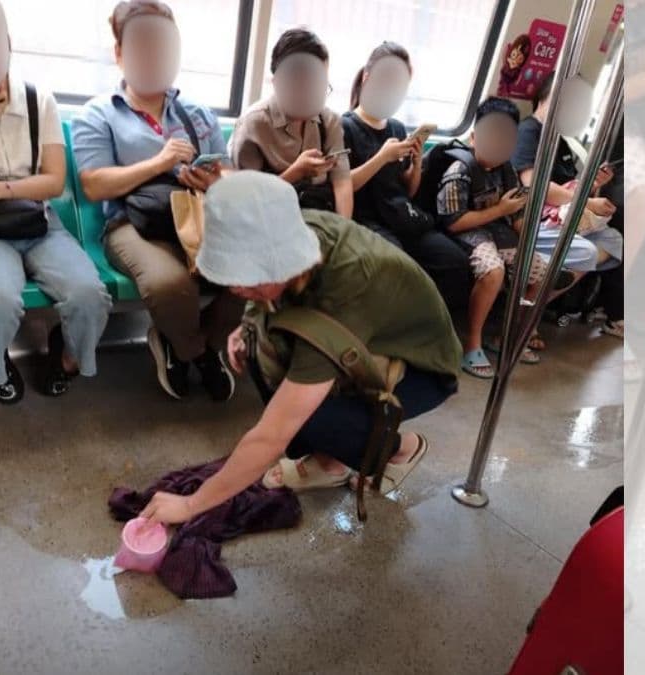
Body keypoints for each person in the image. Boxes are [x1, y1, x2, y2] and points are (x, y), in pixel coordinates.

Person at [138, 171, 460, 524]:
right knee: (257, 347)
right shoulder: (292, 227)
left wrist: (190, 505)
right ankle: (330, 461)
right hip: (365, 338)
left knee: (309, 417)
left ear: (285, 260)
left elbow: (272, 435)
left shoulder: (343, 289)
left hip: (421, 365)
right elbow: (266, 291)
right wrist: (247, 324)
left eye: (247, 277)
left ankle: (401, 448)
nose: (235, 289)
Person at [71, 0, 239, 402]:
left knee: (248, 271)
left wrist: (214, 180)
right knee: (170, 284)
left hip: (196, 216)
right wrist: (159, 162)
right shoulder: (97, 114)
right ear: (119, 53)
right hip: (131, 224)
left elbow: (230, 174)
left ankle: (193, 343)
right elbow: (94, 185)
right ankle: (194, 351)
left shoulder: (197, 113)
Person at [0, 0, 111, 404]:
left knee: (88, 294)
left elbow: (54, 182)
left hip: (38, 221)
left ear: (7, 44)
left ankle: (68, 358)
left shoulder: (38, 99)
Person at [342, 41, 471, 310]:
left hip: (401, 214)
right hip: (367, 219)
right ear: (367, 77)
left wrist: (416, 162)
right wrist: (381, 158)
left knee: (455, 261)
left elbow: (408, 190)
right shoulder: (345, 126)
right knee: (397, 266)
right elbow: (343, 185)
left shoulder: (397, 128)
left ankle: (428, 322)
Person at [436, 98, 552, 378]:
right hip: (466, 232)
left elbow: (516, 215)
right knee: (493, 271)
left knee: (539, 269)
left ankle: (507, 335)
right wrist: (500, 210)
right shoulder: (460, 170)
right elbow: (454, 222)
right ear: (474, 138)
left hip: (497, 232)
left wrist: (528, 240)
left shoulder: (507, 171)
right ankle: (472, 343)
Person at [512, 72, 625, 337]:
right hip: (532, 218)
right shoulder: (528, 132)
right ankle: (525, 315)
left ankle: (542, 296)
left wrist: (593, 185)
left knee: (613, 240)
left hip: (561, 216)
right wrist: (588, 201)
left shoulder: (561, 140)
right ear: (548, 98)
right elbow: (535, 186)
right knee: (586, 252)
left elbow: (568, 189)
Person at [229, 28, 353, 217]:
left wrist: (342, 227)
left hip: (320, 216)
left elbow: (342, 181)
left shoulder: (329, 121)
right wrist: (296, 172)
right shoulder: (253, 125)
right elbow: (245, 202)